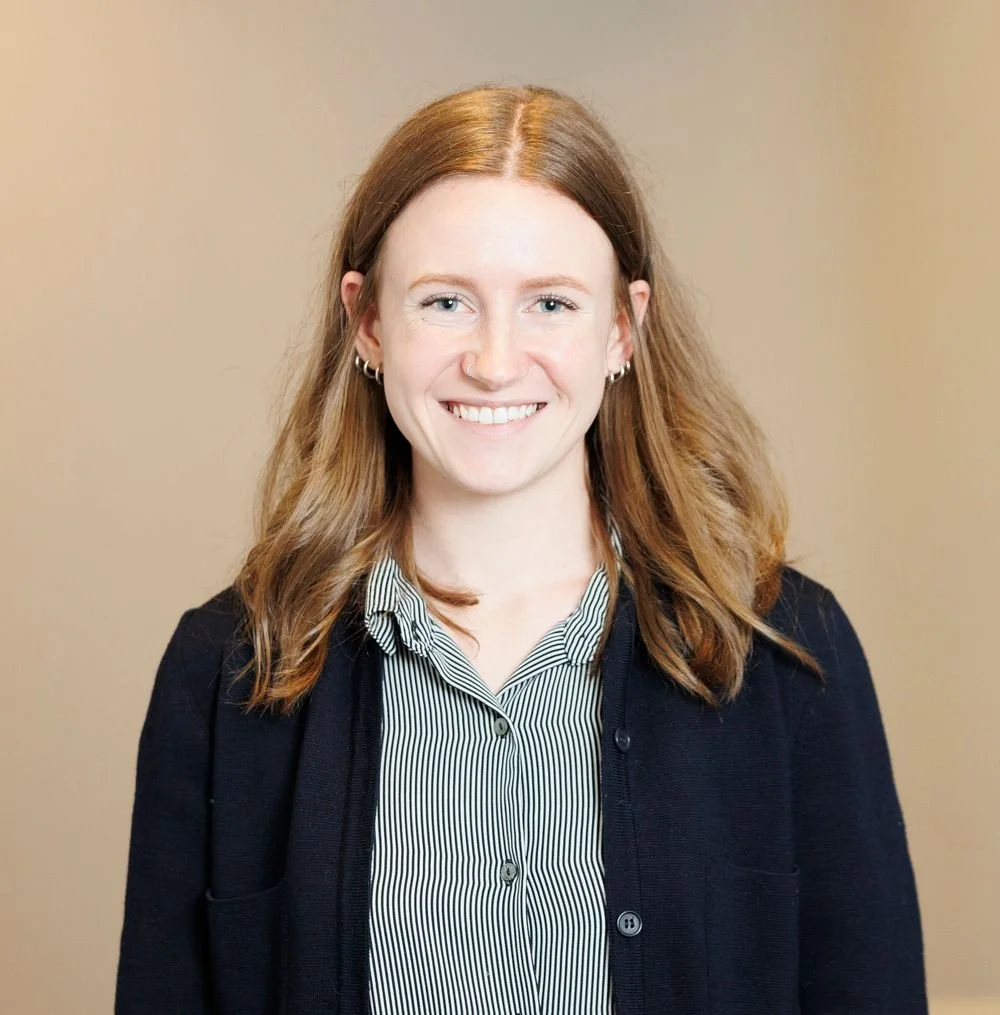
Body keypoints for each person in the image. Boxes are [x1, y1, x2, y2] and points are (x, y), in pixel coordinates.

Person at [115, 84, 927, 1015]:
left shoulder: (786, 651)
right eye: (446, 301)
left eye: (549, 302)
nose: (496, 361)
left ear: (623, 327)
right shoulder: (227, 669)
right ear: (368, 322)